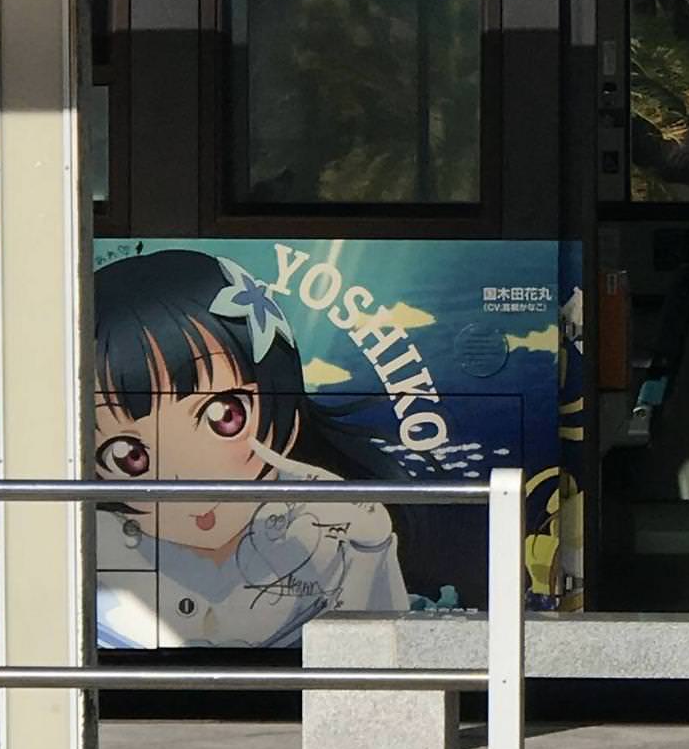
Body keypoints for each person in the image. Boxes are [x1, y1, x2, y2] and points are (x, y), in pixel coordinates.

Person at [75, 249, 427, 650]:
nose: (187, 479)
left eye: (224, 416)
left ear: (283, 403)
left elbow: (384, 659)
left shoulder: (331, 527)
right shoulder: (89, 545)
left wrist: (370, 548)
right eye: (128, 456)